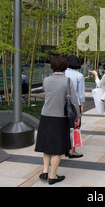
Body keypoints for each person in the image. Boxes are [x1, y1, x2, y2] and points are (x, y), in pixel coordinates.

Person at [35, 56, 81, 185]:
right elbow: (73, 101)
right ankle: (53, 176)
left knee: (47, 145)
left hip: (45, 115)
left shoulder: (46, 80)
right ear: (65, 67)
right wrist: (77, 116)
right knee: (56, 148)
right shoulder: (67, 81)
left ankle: (45, 171)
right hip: (60, 118)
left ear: (52, 66)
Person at [65, 55, 85, 159]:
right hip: (74, 104)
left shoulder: (62, 73)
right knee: (76, 127)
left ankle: (65, 147)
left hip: (62, 103)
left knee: (65, 127)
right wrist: (81, 107)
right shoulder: (79, 76)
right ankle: (72, 150)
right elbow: (81, 94)